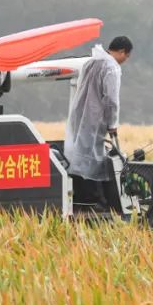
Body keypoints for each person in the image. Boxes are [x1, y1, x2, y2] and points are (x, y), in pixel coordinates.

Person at [64, 35, 132, 205]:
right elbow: (111, 99)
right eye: (127, 56)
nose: (125, 60)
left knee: (79, 156)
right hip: (95, 119)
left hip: (79, 116)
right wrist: (112, 123)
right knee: (92, 159)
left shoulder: (91, 62)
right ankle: (94, 199)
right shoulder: (112, 68)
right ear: (122, 52)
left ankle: (80, 196)